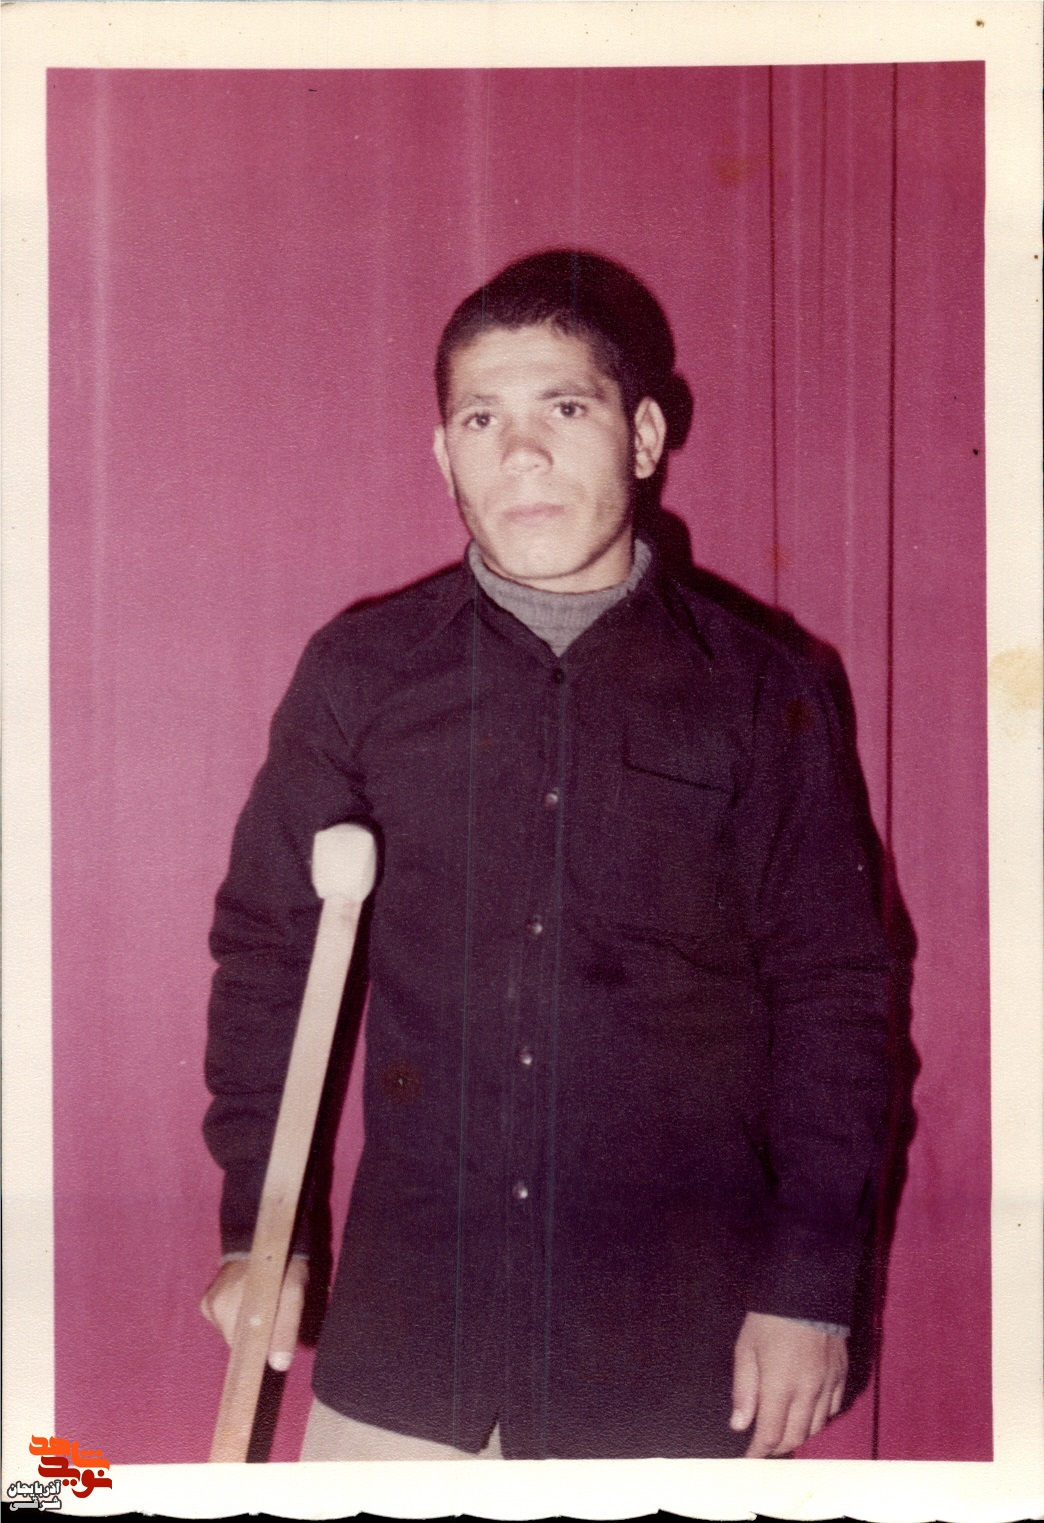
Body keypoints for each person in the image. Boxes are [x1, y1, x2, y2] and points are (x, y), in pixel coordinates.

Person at [200, 250, 892, 1461]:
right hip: (410, 1350)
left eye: (564, 407)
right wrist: (266, 1232)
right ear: (443, 454)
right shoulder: (361, 674)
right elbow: (269, 960)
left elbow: (837, 992)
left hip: (669, 1357)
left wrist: (810, 1283)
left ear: (644, 435)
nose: (521, 452)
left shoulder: (764, 689)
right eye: (482, 418)